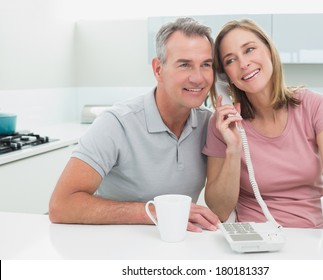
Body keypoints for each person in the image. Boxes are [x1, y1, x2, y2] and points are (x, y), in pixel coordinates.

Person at [49, 17, 219, 232]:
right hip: (115, 248)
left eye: (206, 65)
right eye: (184, 64)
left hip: (174, 245)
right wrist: (153, 212)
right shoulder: (116, 123)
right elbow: (61, 205)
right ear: (158, 69)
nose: (198, 78)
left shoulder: (209, 124)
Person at [202, 19, 323, 228]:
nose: (243, 63)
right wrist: (234, 148)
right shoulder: (223, 124)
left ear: (269, 50)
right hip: (254, 241)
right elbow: (219, 211)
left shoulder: (315, 106)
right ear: (224, 76)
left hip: (314, 237)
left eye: (249, 49)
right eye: (230, 60)